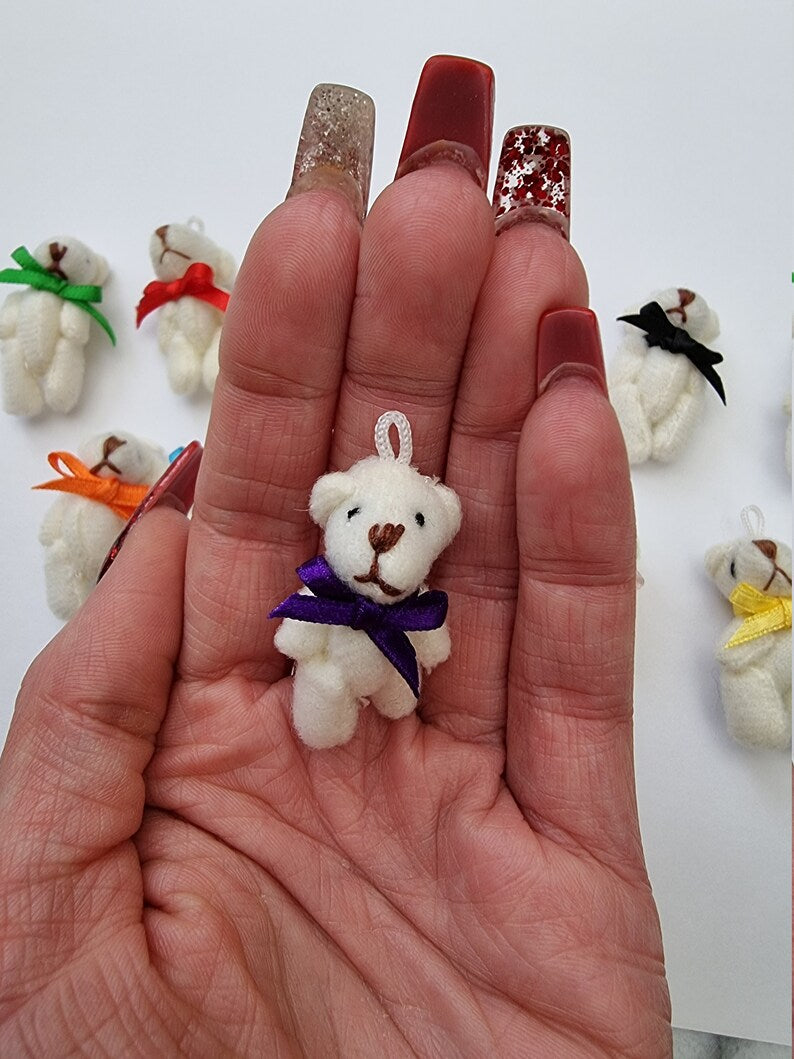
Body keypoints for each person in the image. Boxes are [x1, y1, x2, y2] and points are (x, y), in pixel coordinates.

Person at [0, 57, 672, 1057]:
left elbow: (423, 648)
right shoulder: (319, 587)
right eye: (364, 518)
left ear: (440, 528)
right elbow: (301, 619)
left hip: (378, 676)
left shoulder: (414, 599)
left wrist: (407, 668)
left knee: (386, 679)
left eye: (407, 529)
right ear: (332, 512)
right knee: (330, 679)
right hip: (329, 669)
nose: (385, 534)